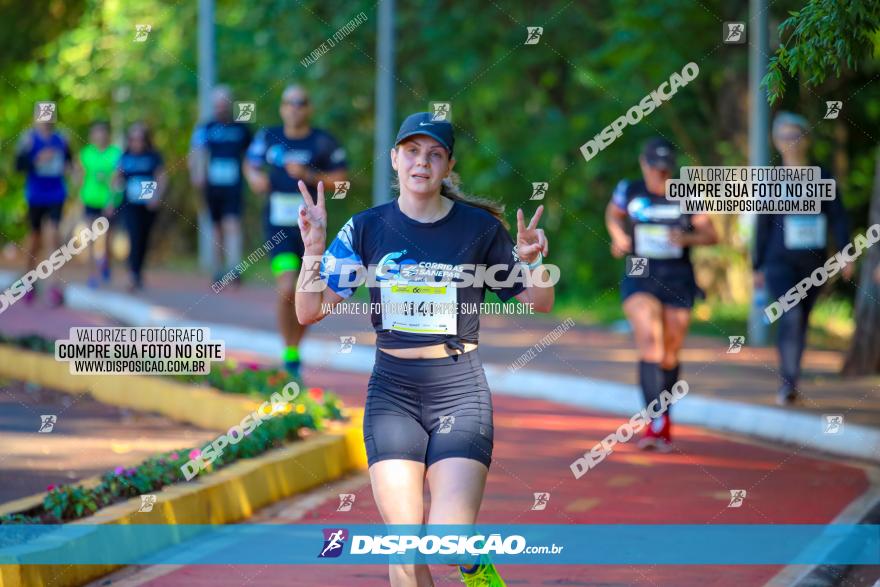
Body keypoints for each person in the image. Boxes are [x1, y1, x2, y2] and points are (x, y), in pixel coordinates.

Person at [294, 112, 554, 586]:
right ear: (394, 159)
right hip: (392, 392)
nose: (422, 163)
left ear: (448, 165)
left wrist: (534, 261)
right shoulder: (367, 228)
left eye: (434, 154)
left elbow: (538, 301)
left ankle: (477, 570)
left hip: (459, 389)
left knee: (450, 540)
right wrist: (313, 249)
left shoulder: (477, 229)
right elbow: (308, 311)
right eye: (412, 152)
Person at [605, 137, 718, 451]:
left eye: (666, 169)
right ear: (644, 164)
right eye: (655, 169)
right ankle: (655, 422)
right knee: (651, 344)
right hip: (640, 272)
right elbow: (613, 215)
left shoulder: (687, 194)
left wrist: (686, 237)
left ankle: (663, 417)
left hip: (678, 276)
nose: (660, 175)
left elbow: (711, 234)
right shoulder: (630, 190)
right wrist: (618, 237)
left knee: (669, 352)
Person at [244, 84, 347, 376]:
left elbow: (342, 182)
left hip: (313, 231)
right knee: (288, 287)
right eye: (289, 103)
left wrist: (309, 176)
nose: (294, 108)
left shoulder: (323, 142)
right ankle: (289, 351)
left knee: (308, 292)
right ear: (281, 108)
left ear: (309, 108)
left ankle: (294, 351)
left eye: (301, 103)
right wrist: (255, 178)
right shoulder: (269, 136)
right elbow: (250, 163)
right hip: (278, 227)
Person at [754, 112, 851, 405]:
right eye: (784, 136)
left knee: (801, 319)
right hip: (777, 262)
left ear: (806, 139)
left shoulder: (822, 178)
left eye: (795, 135)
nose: (790, 142)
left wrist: (847, 254)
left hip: (813, 264)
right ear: (775, 141)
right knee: (791, 313)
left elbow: (839, 218)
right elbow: (762, 225)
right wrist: (756, 266)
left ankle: (790, 378)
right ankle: (788, 383)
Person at [189, 86, 253, 284]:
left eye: (224, 104)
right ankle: (218, 270)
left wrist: (253, 176)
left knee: (232, 224)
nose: (220, 108)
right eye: (217, 104)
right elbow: (196, 151)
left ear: (230, 104)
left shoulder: (241, 128)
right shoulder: (205, 128)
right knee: (216, 227)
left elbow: (253, 155)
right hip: (212, 185)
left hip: (234, 185)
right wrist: (197, 174)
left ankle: (234, 268)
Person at [14, 120, 73, 306]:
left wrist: (70, 169)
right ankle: (29, 282)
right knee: (35, 239)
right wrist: (36, 159)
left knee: (54, 235)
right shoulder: (28, 139)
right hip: (35, 195)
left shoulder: (61, 139)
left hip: (56, 194)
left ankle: (55, 286)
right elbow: (18, 167)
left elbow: (69, 163)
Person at [114, 122, 164, 291]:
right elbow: (116, 178)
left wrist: (156, 196)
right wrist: (113, 194)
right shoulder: (125, 157)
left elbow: (161, 177)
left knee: (144, 237)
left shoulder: (153, 156)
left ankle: (138, 271)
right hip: (130, 203)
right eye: (133, 139)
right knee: (133, 235)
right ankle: (132, 273)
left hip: (148, 203)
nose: (136, 143)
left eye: (140, 139)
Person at [77, 120, 122, 287]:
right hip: (90, 200)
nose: (100, 136)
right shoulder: (86, 154)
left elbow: (117, 179)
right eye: (96, 132)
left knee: (108, 240)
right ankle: (92, 276)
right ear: (92, 135)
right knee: (90, 239)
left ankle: (106, 263)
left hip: (110, 201)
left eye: (102, 132)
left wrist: (111, 200)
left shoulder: (116, 154)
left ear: (107, 134)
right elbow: (80, 177)